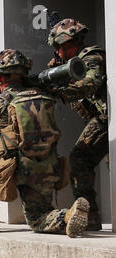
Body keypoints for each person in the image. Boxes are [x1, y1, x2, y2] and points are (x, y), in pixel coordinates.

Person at [0, 49, 89, 238]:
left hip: (13, 168)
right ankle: (66, 216)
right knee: (38, 218)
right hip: (46, 167)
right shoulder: (44, 95)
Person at [47, 18, 107, 231]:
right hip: (103, 120)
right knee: (80, 158)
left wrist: (62, 92)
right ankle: (89, 215)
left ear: (66, 44)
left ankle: (90, 213)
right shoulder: (71, 63)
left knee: (81, 157)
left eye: (59, 48)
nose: (59, 54)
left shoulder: (91, 57)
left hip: (107, 120)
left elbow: (91, 83)